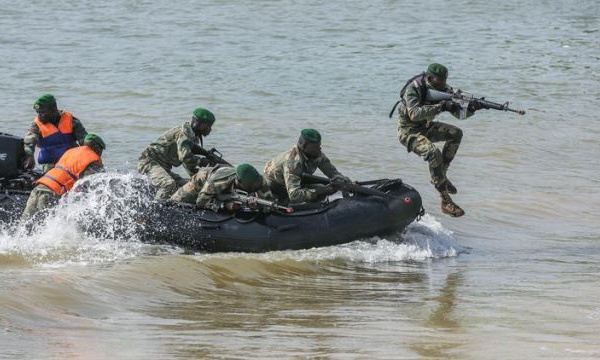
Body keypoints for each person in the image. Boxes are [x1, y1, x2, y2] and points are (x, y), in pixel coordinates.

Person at [395, 63, 483, 217]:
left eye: (444, 81)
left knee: (456, 133)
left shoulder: (443, 89)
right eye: (440, 82)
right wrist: (441, 107)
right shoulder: (414, 88)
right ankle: (445, 201)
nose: (443, 85)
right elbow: (414, 114)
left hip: (426, 127)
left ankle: (441, 174)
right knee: (433, 153)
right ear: (429, 78)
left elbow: (459, 115)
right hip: (408, 133)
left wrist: (473, 108)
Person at [138, 107, 216, 200]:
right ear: (198, 123)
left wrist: (197, 179)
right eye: (208, 126)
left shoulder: (192, 137)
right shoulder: (184, 134)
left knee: (187, 186)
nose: (210, 129)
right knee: (168, 184)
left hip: (163, 167)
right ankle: (155, 209)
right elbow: (185, 157)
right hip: (149, 163)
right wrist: (201, 161)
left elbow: (188, 164)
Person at [21, 133, 106, 220]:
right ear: (97, 147)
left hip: (38, 187)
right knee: (50, 228)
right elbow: (95, 183)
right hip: (52, 194)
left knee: (25, 225)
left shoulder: (70, 152)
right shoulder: (93, 159)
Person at [263, 128, 351, 203]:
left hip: (297, 180)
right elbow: (294, 195)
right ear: (303, 146)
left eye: (319, 145)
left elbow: (332, 172)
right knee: (320, 190)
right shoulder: (293, 162)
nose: (319, 149)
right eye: (315, 147)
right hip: (277, 188)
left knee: (321, 187)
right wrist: (320, 192)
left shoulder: (316, 154)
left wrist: (345, 182)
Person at [23, 94, 88, 172]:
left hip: (72, 161)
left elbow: (84, 140)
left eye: (43, 112)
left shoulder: (72, 121)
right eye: (38, 112)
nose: (40, 115)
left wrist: (91, 144)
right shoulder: (36, 125)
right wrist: (29, 155)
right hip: (51, 165)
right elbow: (29, 142)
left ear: (53, 109)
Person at [196, 163, 273, 212]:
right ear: (239, 182)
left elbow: (269, 203)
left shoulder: (257, 181)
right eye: (251, 186)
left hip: (228, 190)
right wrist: (225, 205)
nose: (255, 187)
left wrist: (256, 206)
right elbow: (201, 202)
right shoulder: (220, 182)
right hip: (201, 182)